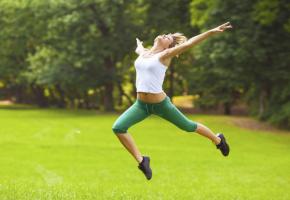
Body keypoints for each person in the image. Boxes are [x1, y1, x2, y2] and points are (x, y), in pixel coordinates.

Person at [112, 22, 232, 180]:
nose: (164, 35)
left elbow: (189, 43)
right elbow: (139, 50)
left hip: (161, 105)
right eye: (165, 34)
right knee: (118, 127)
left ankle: (218, 140)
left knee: (188, 126)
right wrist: (139, 45)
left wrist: (210, 32)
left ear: (168, 46)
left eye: (168, 37)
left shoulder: (164, 56)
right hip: (141, 105)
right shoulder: (144, 53)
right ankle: (142, 161)